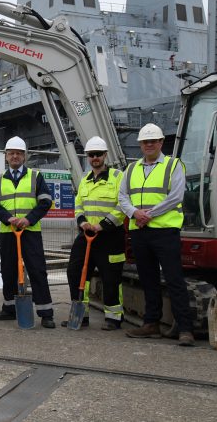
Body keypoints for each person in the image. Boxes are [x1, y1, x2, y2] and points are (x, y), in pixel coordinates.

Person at [119, 123, 195, 346]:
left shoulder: (173, 165)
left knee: (174, 279)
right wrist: (134, 213)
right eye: (145, 141)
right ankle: (151, 324)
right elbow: (122, 196)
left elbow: (176, 196)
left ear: (161, 142)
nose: (149, 144)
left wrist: (148, 215)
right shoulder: (131, 169)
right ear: (140, 145)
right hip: (140, 233)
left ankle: (185, 329)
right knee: (148, 279)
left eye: (153, 141)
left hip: (165, 231)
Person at [0, 136, 56, 328]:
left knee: (37, 270)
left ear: (25, 156)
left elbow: (45, 201)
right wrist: (8, 218)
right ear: (6, 156)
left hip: (30, 232)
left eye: (18, 153)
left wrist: (28, 219)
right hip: (8, 232)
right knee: (7, 270)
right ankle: (9, 308)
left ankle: (45, 313)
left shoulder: (35, 176)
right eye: (11, 153)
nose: (15, 156)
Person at [61, 136, 125, 330]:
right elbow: (78, 204)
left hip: (110, 236)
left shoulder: (118, 177)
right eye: (91, 155)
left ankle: (114, 318)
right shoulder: (85, 180)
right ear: (87, 157)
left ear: (105, 155)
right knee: (75, 272)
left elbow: (123, 206)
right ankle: (81, 315)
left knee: (111, 276)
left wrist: (102, 225)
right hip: (87, 235)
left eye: (98, 154)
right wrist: (83, 222)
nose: (95, 158)